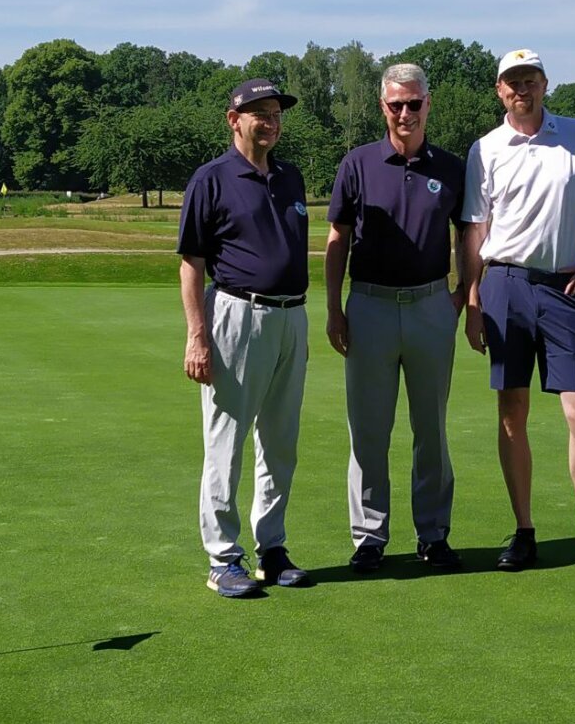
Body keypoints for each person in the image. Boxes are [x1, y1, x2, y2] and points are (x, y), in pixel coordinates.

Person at [462, 49, 575, 574]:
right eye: (511, 82)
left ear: (545, 84)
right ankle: (524, 532)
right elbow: (476, 228)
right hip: (504, 285)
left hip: (563, 288)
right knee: (512, 412)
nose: (521, 88)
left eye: (530, 79)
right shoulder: (487, 148)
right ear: (500, 91)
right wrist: (473, 299)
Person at [325, 63, 466, 573]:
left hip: (431, 306)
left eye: (414, 104)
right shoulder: (357, 163)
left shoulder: (451, 168)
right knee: (368, 430)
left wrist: (464, 295)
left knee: (431, 429)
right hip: (370, 306)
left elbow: (467, 238)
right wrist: (333, 308)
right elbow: (337, 238)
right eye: (395, 105)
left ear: (428, 103)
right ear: (382, 106)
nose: (404, 113)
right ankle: (369, 538)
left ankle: (433, 534)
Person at [177, 78, 311, 597]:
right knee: (226, 443)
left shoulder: (291, 177)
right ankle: (222, 559)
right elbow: (192, 264)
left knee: (280, 443)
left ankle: (271, 550)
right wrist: (197, 336)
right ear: (234, 120)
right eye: (259, 112)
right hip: (236, 314)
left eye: (276, 112)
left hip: (290, 317)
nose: (270, 121)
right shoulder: (211, 178)